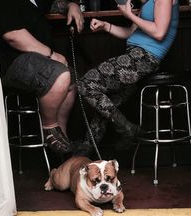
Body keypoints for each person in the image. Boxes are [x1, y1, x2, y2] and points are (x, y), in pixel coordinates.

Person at [76, 0, 179, 155]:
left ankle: (128, 130)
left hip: (144, 58)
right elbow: (130, 32)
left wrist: (130, 15)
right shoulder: (148, 3)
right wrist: (106, 26)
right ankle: (85, 150)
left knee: (86, 84)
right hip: (134, 56)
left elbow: (159, 32)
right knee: (104, 102)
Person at [0, 0, 84, 154]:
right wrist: (51, 54)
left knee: (72, 77)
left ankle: (62, 137)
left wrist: (71, 6)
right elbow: (13, 36)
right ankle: (50, 128)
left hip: (38, 59)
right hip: (13, 62)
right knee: (60, 74)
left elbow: (53, 4)